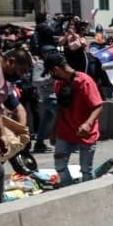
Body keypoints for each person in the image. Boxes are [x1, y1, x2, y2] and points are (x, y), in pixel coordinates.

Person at [0, 48, 33, 206]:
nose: (22, 75)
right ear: (11, 62)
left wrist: (2, 134)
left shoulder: (3, 78)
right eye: (21, 70)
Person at [46, 52, 103, 187]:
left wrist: (88, 124)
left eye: (50, 72)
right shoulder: (59, 84)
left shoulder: (84, 81)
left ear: (56, 69)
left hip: (86, 133)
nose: (52, 76)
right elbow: (60, 109)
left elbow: (98, 106)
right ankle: (68, 188)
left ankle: (88, 189)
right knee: (59, 165)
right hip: (65, 132)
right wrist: (54, 131)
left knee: (85, 170)